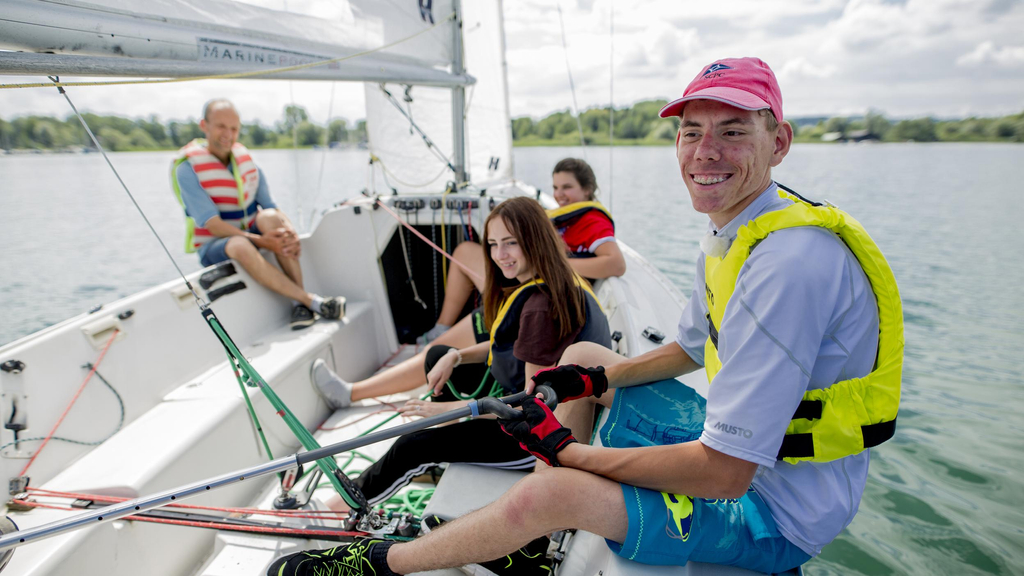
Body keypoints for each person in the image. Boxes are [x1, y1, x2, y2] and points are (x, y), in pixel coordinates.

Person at [267, 56, 903, 576]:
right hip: (755, 464)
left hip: (774, 513)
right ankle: (536, 531)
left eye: (733, 130)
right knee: (586, 358)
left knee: (554, 491)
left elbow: (727, 472)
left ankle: (383, 564)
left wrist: (573, 454)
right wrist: (589, 382)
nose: (705, 150)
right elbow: (685, 349)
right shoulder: (738, 229)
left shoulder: (788, 266)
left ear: (779, 142)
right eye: (691, 132)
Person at [309, 196, 612, 509]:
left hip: (538, 440)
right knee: (437, 355)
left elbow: (530, 407)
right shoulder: (550, 281)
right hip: (535, 412)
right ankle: (445, 453)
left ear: (534, 240)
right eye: (493, 244)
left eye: (511, 243)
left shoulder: (540, 306)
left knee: (413, 445)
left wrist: (452, 410)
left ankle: (344, 507)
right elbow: (510, 347)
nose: (500, 255)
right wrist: (455, 356)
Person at [171, 98, 344, 330]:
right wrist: (263, 242)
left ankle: (299, 305)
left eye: (234, 128)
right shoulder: (187, 169)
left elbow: (270, 206)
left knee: (272, 219)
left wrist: (288, 230)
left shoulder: (247, 162)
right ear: (204, 126)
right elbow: (212, 224)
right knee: (240, 245)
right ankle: (309, 300)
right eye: (221, 126)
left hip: (250, 234)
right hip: (216, 245)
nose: (228, 134)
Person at [418, 158, 625, 344]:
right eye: (555, 187)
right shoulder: (567, 218)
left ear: (587, 190)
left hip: (548, 291)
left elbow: (616, 264)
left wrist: (550, 262)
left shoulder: (591, 221)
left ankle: (443, 334)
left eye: (567, 187)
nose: (558, 194)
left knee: (469, 258)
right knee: (464, 251)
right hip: (535, 281)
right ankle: (442, 328)